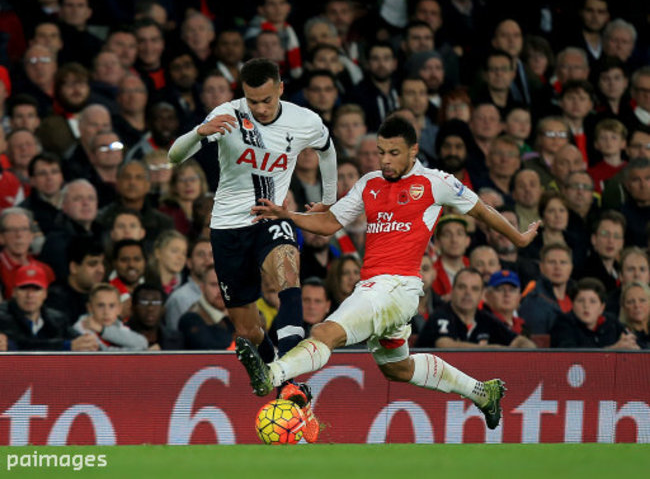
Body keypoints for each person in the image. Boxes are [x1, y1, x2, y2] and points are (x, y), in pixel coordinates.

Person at [236, 116, 540, 433]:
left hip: (394, 288)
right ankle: (482, 392)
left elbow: (480, 208)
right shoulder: (369, 183)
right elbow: (329, 224)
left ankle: (271, 375)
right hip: (380, 292)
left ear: (413, 151)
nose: (385, 160)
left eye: (393, 153)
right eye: (381, 152)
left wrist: (517, 238)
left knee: (326, 332)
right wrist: (288, 215)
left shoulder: (436, 182)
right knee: (398, 368)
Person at [167, 58, 338, 443]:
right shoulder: (227, 115)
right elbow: (174, 157)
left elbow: (327, 148)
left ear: (280, 87)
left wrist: (327, 199)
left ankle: (289, 378)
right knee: (248, 330)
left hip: (270, 214)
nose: (258, 108)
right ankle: (279, 383)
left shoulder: (303, 121)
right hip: (227, 228)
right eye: (251, 100)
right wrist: (199, 133)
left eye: (264, 99)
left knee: (287, 267)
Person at [417, 268, 535, 348]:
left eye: (474, 289)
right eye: (462, 287)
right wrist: (495, 349)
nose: (468, 293)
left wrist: (530, 350)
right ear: (452, 291)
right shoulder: (440, 315)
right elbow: (445, 346)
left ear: (481, 295)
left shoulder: (485, 318)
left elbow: (518, 341)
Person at [0, 264, 98, 351]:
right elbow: (21, 345)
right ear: (14, 292)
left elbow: (77, 340)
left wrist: (87, 343)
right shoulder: (3, 316)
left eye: (36, 289)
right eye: (24, 288)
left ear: (45, 293)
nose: (30, 295)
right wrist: (66, 346)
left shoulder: (56, 319)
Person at [551, 278, 639, 349]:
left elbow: (633, 342)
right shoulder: (563, 323)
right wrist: (613, 349)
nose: (586, 306)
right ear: (572, 304)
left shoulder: (611, 322)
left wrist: (632, 345)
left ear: (601, 308)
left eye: (592, 301)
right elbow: (571, 357)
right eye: (580, 301)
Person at [73, 283, 149, 351]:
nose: (106, 312)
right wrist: (140, 351)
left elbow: (142, 343)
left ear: (119, 309)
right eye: (100, 305)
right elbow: (103, 354)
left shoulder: (120, 327)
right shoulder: (81, 328)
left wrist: (102, 330)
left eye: (111, 306)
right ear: (90, 308)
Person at [178, 265, 234, 350]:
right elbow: (211, 349)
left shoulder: (239, 313)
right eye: (214, 285)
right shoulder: (191, 319)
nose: (220, 290)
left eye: (225, 284)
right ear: (202, 288)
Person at [129, 283, 184, 350]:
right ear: (133, 308)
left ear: (163, 309)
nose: (150, 308)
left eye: (156, 302)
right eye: (144, 302)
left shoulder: (178, 340)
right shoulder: (121, 337)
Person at [619, 281, 650, 349]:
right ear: (623, 307)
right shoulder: (619, 336)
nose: (637, 305)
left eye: (642, 300)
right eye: (631, 302)